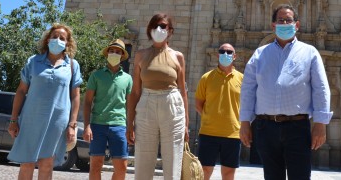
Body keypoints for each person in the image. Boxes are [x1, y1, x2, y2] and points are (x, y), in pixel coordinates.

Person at [239, 4, 332, 180]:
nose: (284, 23)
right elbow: (248, 90)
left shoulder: (309, 52)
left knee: (300, 176)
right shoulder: (259, 54)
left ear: (297, 25)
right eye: (280, 20)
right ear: (273, 25)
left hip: (297, 126)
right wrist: (245, 122)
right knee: (272, 176)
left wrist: (320, 123)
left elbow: (321, 88)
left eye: (288, 20)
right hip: (266, 126)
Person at [8, 23, 82, 180]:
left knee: (47, 163)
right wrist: (14, 119)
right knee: (26, 163)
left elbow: (75, 96)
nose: (57, 40)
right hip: (31, 119)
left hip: (57, 121)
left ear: (67, 43)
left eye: (62, 38)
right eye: (54, 36)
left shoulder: (72, 65)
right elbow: (21, 91)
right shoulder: (33, 62)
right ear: (47, 40)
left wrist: (72, 124)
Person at [126, 13, 188, 180]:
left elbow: (183, 91)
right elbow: (135, 91)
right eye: (155, 26)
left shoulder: (178, 57)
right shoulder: (141, 54)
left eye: (163, 26)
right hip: (147, 103)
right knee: (143, 160)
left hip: (172, 104)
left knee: (173, 159)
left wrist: (186, 125)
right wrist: (130, 123)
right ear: (149, 30)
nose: (158, 29)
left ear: (170, 31)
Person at [83, 39, 133, 180]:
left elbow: (130, 105)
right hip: (97, 125)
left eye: (118, 52)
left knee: (122, 167)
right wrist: (87, 126)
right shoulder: (96, 75)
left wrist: (131, 126)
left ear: (122, 56)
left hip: (119, 126)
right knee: (95, 165)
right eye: (112, 51)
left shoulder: (128, 79)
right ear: (107, 54)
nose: (114, 53)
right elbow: (87, 102)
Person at [195, 43, 243, 180]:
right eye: (222, 51)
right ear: (217, 55)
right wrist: (210, 117)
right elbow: (198, 104)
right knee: (204, 170)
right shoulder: (206, 78)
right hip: (208, 132)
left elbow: (246, 105)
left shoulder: (242, 79)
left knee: (228, 173)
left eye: (229, 52)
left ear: (235, 56)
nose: (225, 54)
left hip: (232, 134)